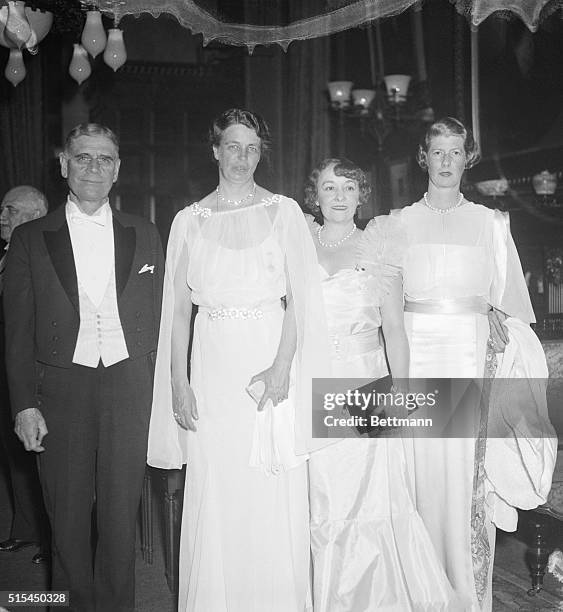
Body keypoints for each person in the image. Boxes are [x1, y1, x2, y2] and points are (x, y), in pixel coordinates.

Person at [363, 117, 556, 611]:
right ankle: (418, 591)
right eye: (438, 152)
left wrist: (495, 313)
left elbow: (513, 304)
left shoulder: (491, 224)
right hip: (417, 353)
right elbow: (380, 305)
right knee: (419, 475)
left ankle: (468, 597)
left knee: (464, 481)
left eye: (455, 152)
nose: (446, 162)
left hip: (470, 356)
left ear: (467, 158)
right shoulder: (398, 222)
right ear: (423, 157)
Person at [147, 108, 328, 612]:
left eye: (251, 148)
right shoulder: (189, 220)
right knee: (219, 488)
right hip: (212, 364)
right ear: (215, 151)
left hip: (269, 360)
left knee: (270, 483)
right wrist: (179, 383)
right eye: (232, 146)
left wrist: (281, 367)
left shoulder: (285, 211)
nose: (242, 158)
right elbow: (179, 311)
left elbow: (302, 300)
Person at [3, 124, 164, 612]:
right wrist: (24, 406)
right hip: (60, 391)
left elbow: (161, 319)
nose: (94, 167)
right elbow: (15, 335)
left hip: (129, 387)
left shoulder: (147, 232)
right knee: (67, 522)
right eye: (83, 158)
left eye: (105, 159)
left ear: (118, 169)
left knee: (119, 521)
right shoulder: (32, 237)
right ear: (63, 165)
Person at [305, 158, 457, 611]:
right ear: (315, 195)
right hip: (313, 379)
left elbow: (394, 329)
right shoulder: (300, 244)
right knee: (323, 495)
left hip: (365, 380)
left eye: (348, 188)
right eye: (329, 187)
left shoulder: (379, 247)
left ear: (361, 195)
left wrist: (402, 394)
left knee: (371, 495)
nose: (338, 196)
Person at [0, 186, 50, 564]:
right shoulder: (5, 255)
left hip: (38, 369)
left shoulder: (43, 252)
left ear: (34, 215)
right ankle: (26, 528)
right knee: (14, 452)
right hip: (8, 366)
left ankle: (54, 540)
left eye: (10, 210)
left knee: (44, 458)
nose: (2, 217)